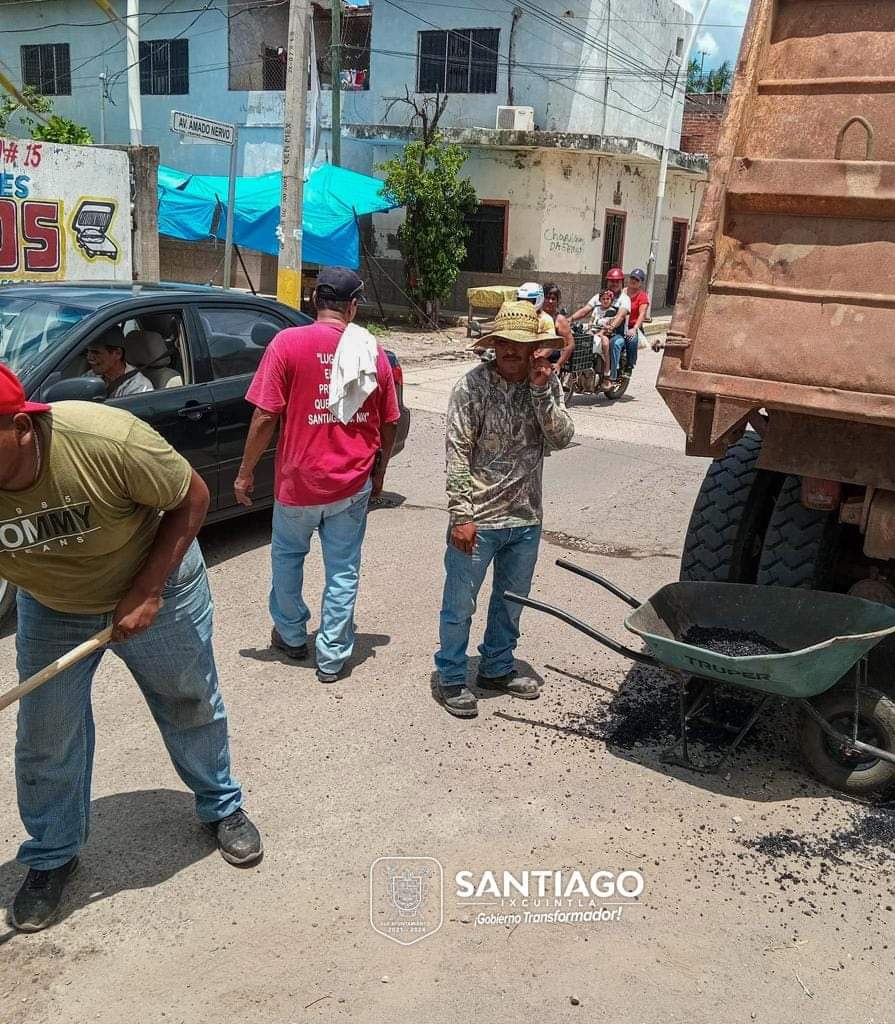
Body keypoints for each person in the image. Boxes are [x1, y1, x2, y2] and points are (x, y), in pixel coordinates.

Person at [0, 364, 260, 933]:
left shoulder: (102, 439)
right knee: (45, 734)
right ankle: (51, 855)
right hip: (52, 605)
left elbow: (191, 497)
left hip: (157, 585)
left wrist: (146, 591)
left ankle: (221, 804)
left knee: (189, 700)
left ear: (20, 426)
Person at [234, 267, 400, 684]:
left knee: (288, 559)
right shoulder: (370, 349)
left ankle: (291, 636)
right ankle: (331, 658)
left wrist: (245, 472)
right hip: (351, 482)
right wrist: (380, 471)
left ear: (314, 302)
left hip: (297, 483)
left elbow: (265, 415)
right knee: (343, 569)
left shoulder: (287, 343)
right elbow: (390, 421)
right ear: (354, 306)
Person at [434, 300, 574, 718]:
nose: (512, 350)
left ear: (535, 347)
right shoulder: (471, 387)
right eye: (505, 343)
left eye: (522, 343)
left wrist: (541, 391)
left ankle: (496, 666)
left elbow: (563, 437)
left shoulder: (545, 383)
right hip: (478, 519)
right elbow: (457, 451)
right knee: (460, 604)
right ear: (494, 344)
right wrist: (461, 515)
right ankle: (452, 676)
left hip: (526, 518)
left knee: (511, 601)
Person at [570, 267, 630, 385]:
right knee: (580, 340)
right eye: (612, 281)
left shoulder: (624, 299)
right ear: (607, 281)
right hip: (596, 330)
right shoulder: (599, 296)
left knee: (612, 344)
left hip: (615, 333)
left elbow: (620, 316)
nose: (614, 283)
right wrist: (569, 319)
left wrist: (611, 327)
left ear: (622, 282)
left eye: (617, 281)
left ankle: (609, 376)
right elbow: (585, 310)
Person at [85, 327, 153, 399]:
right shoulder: (91, 376)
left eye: (96, 352)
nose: (89, 357)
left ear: (118, 353)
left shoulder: (139, 387)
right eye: (87, 352)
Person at [541, 282, 576, 373]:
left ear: (557, 301)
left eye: (553, 299)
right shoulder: (536, 315)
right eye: (547, 298)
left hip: (551, 358)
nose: (550, 301)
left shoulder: (559, 320)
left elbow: (570, 344)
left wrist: (559, 364)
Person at [622, 267, 651, 374]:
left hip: (632, 326)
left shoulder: (642, 296)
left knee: (632, 340)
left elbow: (642, 314)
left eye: (637, 279)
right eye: (632, 277)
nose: (633, 281)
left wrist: (634, 329)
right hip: (619, 324)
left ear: (641, 283)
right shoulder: (622, 292)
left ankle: (630, 365)